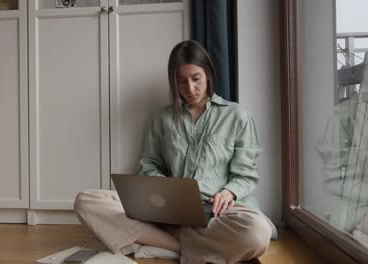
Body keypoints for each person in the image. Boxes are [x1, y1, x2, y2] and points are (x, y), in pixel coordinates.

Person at [74, 40, 277, 264]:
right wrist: (164, 191)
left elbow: (246, 175)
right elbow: (148, 164)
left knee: (257, 233)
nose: (190, 89)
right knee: (87, 200)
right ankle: (185, 246)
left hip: (218, 213)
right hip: (168, 209)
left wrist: (229, 192)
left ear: (208, 74)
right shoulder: (161, 119)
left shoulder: (237, 116)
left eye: (196, 79)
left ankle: (163, 243)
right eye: (181, 81)